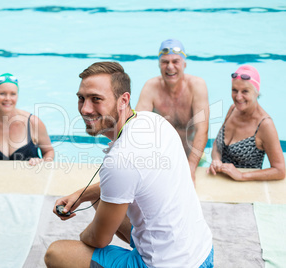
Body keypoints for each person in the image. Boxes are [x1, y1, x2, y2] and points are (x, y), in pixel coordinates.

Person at [44, 62, 213, 268]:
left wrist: (83, 239)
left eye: (96, 99)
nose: (85, 109)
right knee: (102, 197)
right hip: (202, 253)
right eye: (81, 98)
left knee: (56, 253)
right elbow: (136, 180)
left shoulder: (120, 160)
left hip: (166, 264)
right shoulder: (154, 121)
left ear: (123, 100)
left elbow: (99, 239)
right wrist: (82, 194)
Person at [136, 39, 209, 182]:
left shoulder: (197, 86)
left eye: (175, 61)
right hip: (162, 160)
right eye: (165, 62)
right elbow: (137, 127)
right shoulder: (150, 88)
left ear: (184, 64)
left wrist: (191, 167)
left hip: (192, 157)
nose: (170, 67)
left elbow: (202, 130)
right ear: (159, 64)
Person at [207, 65, 285, 181]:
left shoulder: (264, 124)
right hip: (220, 183)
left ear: (256, 92)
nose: (238, 97)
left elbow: (280, 170)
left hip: (246, 192)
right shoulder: (233, 109)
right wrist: (216, 160)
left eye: (245, 91)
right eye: (234, 90)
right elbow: (217, 147)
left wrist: (242, 176)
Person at [0, 73, 54, 165]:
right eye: (2, 94)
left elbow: (49, 151)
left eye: (12, 94)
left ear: (17, 96)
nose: (7, 98)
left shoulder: (33, 123)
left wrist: (42, 163)